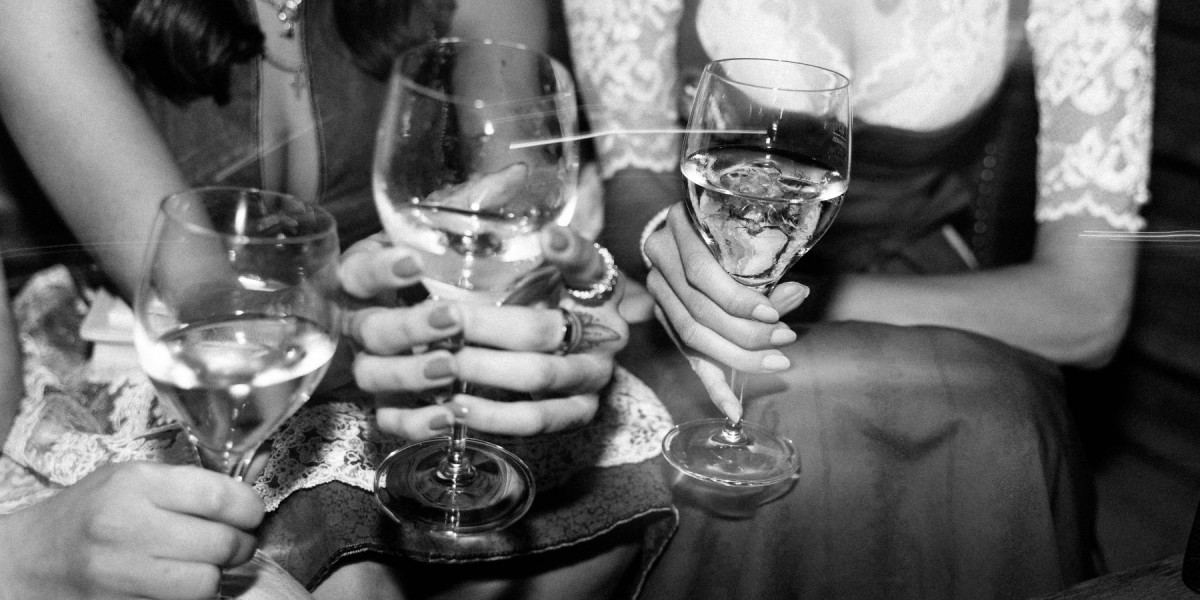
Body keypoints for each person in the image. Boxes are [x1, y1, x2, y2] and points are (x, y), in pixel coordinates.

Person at [0, 0, 674, 598]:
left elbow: (512, 199)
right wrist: (361, 321)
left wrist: (555, 293)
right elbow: (200, 298)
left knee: (621, 515)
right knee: (350, 577)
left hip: (389, 343)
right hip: (185, 361)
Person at [562, 0, 1155, 598]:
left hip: (923, 280)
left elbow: (1088, 311)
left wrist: (795, 295)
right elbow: (634, 185)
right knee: (773, 421)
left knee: (996, 421)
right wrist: (672, 251)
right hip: (702, 271)